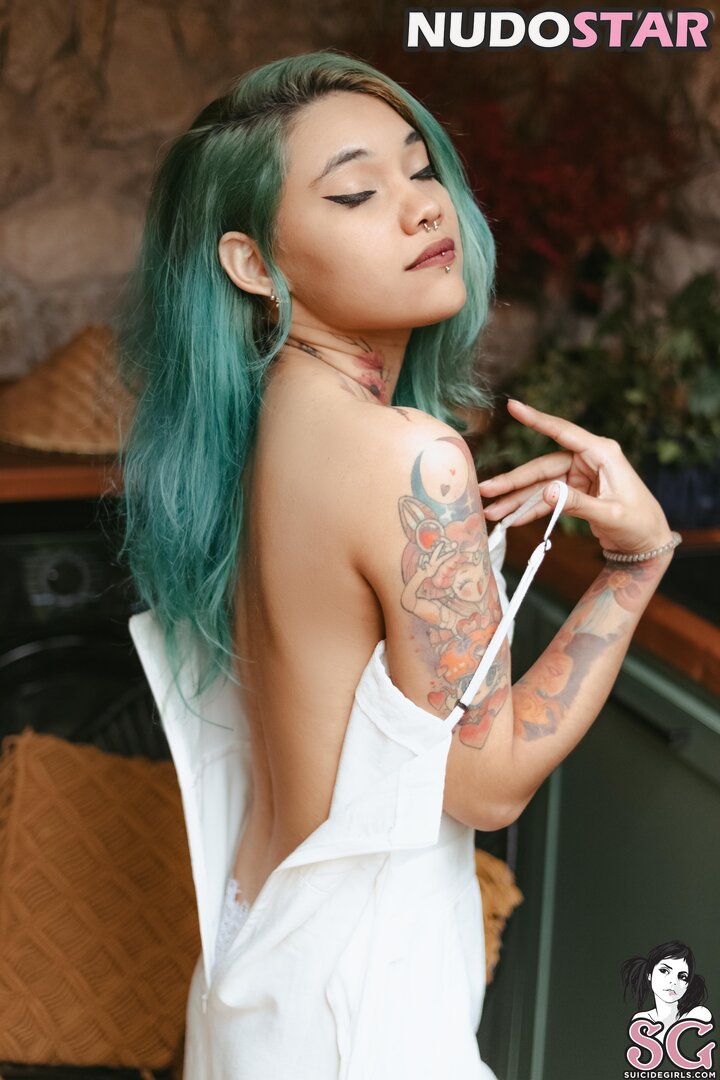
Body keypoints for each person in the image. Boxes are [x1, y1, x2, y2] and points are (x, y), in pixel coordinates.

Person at [116, 48, 681, 1080]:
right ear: (253, 264)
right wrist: (633, 565)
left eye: (421, 170)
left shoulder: (259, 422)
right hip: (359, 1009)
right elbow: (488, 785)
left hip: (258, 964)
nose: (424, 207)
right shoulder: (408, 455)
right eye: (356, 193)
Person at [622, 941, 712, 1042]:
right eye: (664, 971)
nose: (673, 982)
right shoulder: (642, 1020)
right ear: (649, 974)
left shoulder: (698, 1015)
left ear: (688, 984)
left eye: (682, 977)